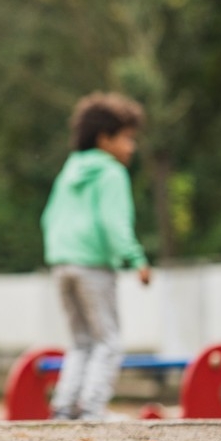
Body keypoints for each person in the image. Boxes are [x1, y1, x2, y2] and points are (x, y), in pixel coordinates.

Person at [41, 92, 152, 421]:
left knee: (80, 342)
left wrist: (60, 254)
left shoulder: (69, 170)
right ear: (105, 139)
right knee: (108, 342)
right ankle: (91, 409)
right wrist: (136, 259)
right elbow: (114, 223)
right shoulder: (111, 173)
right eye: (127, 138)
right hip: (93, 266)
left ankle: (64, 407)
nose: (132, 147)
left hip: (61, 264)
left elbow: (49, 217)